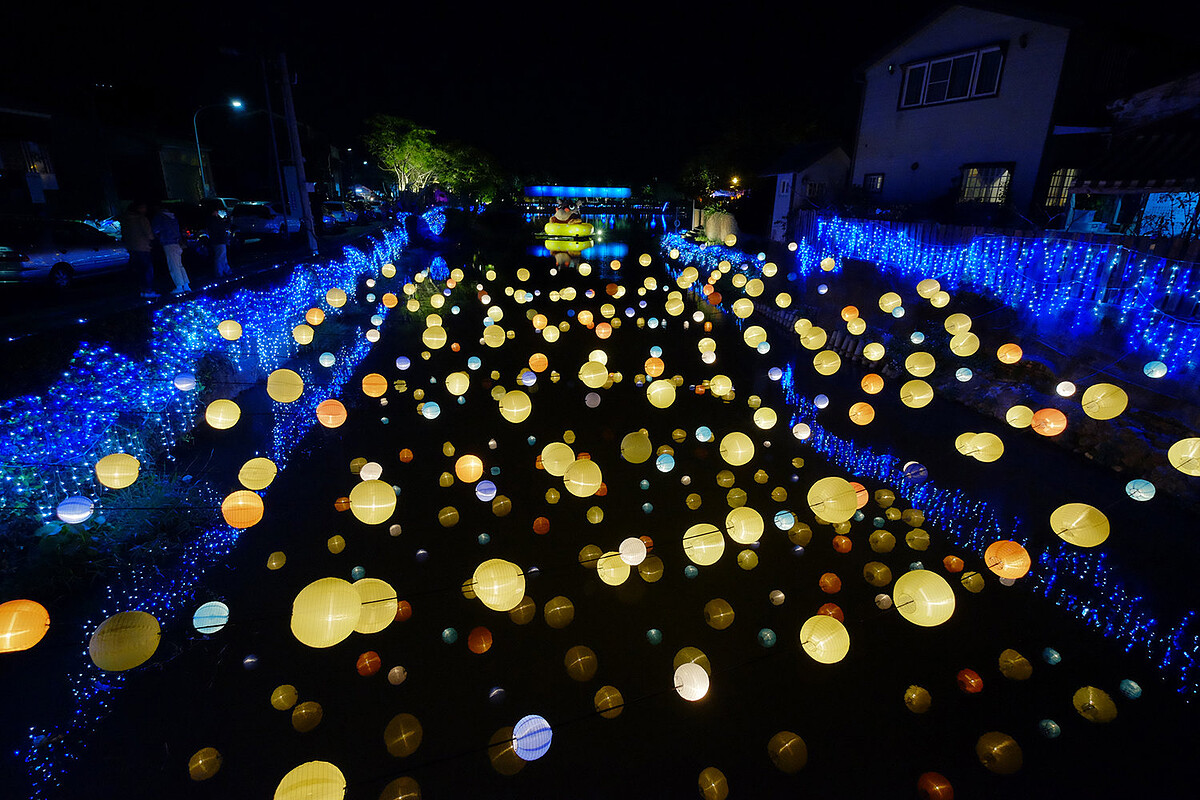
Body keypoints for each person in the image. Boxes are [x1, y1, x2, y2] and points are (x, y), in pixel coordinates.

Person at [151, 204, 190, 294]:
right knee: (179, 265)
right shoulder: (173, 217)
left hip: (168, 243)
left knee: (173, 265)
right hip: (177, 242)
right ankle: (186, 285)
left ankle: (179, 286)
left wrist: (157, 237)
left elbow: (155, 230)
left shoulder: (160, 217)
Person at [120, 201, 157, 298]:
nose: (145, 210)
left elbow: (123, 233)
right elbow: (148, 233)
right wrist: (152, 240)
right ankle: (149, 290)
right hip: (143, 247)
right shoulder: (142, 219)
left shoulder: (125, 219)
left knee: (139, 270)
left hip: (132, 247)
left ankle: (143, 290)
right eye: (143, 208)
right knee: (148, 269)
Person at [207, 205, 232, 278]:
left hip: (220, 241)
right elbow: (221, 229)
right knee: (220, 257)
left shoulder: (216, 220)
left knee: (223, 256)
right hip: (218, 241)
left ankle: (226, 270)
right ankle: (219, 273)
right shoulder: (214, 220)